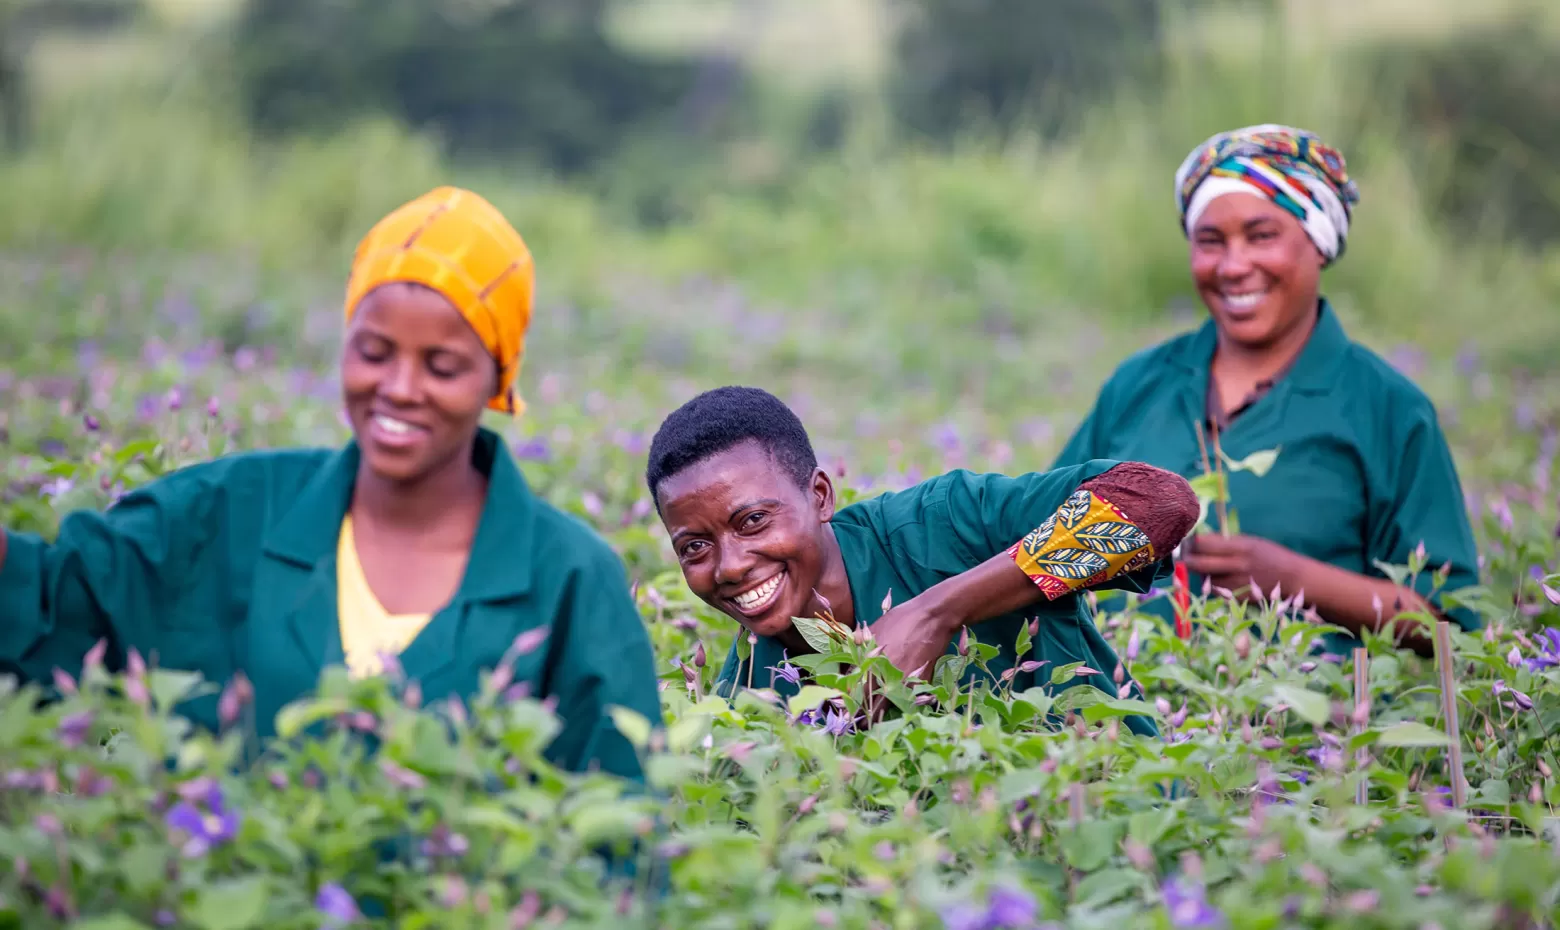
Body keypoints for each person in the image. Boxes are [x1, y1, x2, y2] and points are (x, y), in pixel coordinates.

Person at [0, 186, 662, 782]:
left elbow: (620, 838)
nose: (399, 389)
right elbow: (49, 601)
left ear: (496, 379)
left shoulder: (571, 578)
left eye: (442, 365)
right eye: (374, 352)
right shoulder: (225, 514)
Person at [1051, 124, 1481, 658]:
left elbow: (1447, 624)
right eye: (1210, 241)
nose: (1233, 267)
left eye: (1261, 236)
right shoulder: (1140, 384)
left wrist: (1289, 578)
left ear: (1318, 243)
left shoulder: (1387, 408)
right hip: (1111, 723)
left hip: (1301, 731)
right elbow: (1039, 545)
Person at [644, 386, 1199, 737]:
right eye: (695, 547)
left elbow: (1158, 503)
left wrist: (937, 613)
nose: (731, 567)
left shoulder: (942, 524)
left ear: (819, 497)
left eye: (753, 521)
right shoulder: (746, 695)